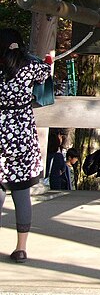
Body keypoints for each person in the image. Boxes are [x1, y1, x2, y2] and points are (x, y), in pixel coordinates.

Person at [0, 28, 51, 263]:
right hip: (21, 129)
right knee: (22, 193)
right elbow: (46, 70)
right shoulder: (31, 66)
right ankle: (21, 248)